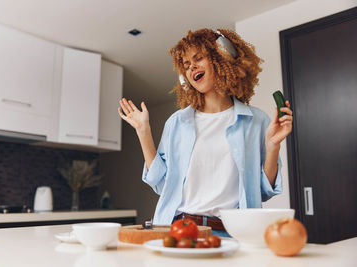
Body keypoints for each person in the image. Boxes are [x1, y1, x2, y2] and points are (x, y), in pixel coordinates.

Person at [118, 28, 293, 237]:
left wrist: (273, 146)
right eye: (186, 65)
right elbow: (162, 185)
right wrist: (143, 131)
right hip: (180, 229)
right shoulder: (177, 122)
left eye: (198, 58)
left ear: (223, 56)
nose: (192, 68)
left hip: (234, 233)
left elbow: (263, 192)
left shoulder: (257, 121)